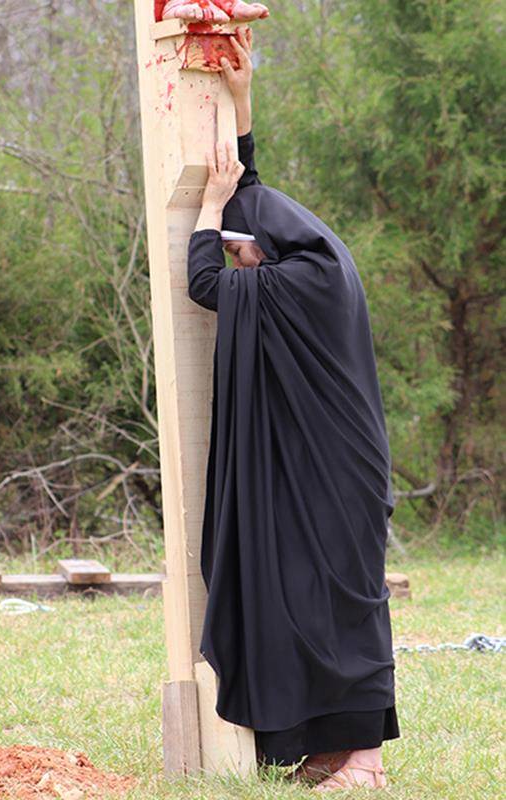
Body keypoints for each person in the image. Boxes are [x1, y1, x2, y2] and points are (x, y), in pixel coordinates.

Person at [186, 27, 401, 792]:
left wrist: (211, 211)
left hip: (336, 473)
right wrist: (241, 105)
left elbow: (206, 283)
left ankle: (367, 761)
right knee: (297, 602)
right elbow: (255, 197)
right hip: (312, 463)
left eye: (250, 247)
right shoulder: (305, 255)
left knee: (344, 606)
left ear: (273, 250)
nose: (244, 254)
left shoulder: (306, 281)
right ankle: (322, 748)